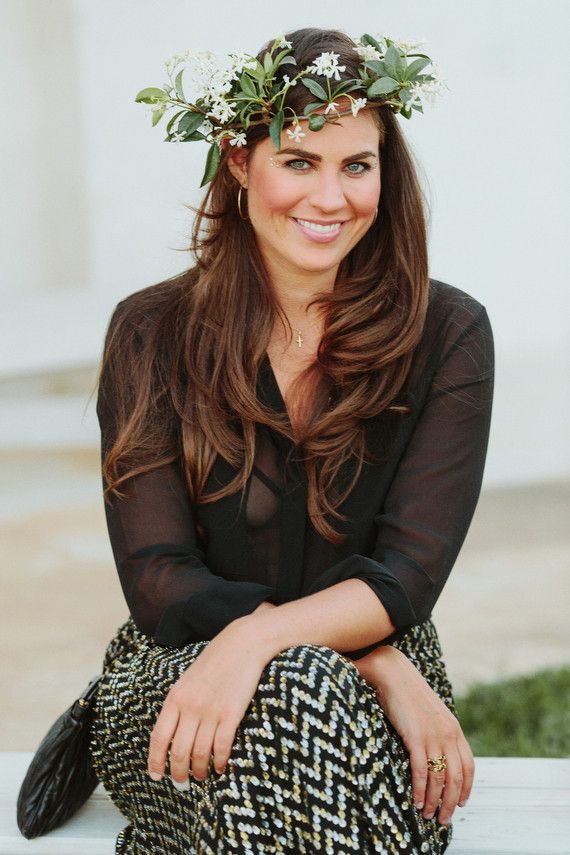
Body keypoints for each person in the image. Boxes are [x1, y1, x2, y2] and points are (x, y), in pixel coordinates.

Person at [91, 27, 494, 855]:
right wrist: (342, 652)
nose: (331, 197)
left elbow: (410, 571)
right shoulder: (150, 332)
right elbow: (160, 580)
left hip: (383, 672)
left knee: (304, 692)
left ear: (385, 171)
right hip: (182, 669)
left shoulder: (448, 333)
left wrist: (272, 637)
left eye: (357, 165)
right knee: (303, 692)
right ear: (240, 162)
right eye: (300, 161)